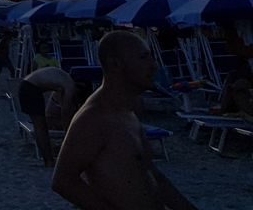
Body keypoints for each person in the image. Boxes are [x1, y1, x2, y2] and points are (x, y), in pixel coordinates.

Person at [53, 31, 199, 210]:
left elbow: (150, 172)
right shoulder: (94, 118)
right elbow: (63, 181)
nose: (153, 66)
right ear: (115, 64)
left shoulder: (127, 111)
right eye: (143, 58)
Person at [18, 65, 77, 167]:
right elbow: (65, 112)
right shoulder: (70, 85)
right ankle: (49, 161)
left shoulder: (64, 79)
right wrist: (68, 133)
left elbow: (65, 109)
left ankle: (49, 159)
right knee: (41, 128)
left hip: (27, 85)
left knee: (40, 127)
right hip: (30, 88)